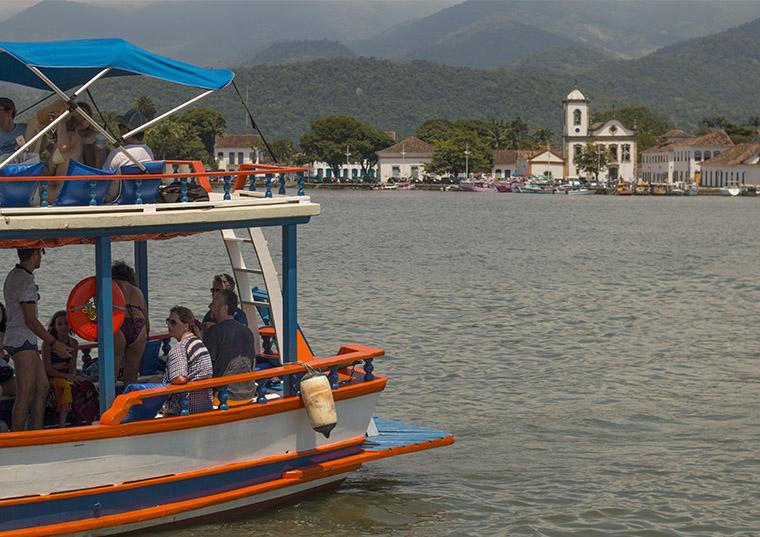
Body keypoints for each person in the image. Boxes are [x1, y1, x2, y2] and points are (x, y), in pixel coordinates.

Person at [3, 248, 72, 431]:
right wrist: (54, 343)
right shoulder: (24, 280)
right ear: (35, 254)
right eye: (41, 253)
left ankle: (37, 430)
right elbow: (30, 320)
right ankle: (18, 437)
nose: (41, 257)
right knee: (25, 392)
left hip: (25, 339)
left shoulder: (16, 275)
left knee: (41, 387)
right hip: (22, 340)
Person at [203, 289, 255, 402]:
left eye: (214, 304)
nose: (210, 306)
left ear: (224, 309)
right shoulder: (247, 331)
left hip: (224, 396)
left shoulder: (215, 332)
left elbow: (205, 368)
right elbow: (252, 362)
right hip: (249, 393)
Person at [163, 306, 212, 415]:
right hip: (204, 405)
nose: (169, 325)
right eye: (168, 321)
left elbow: (180, 378)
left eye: (173, 322)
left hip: (185, 408)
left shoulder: (180, 347)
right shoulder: (199, 343)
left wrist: (163, 382)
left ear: (186, 326)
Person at [41, 311, 83, 427]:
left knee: (85, 385)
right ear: (54, 326)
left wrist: (72, 376)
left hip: (66, 374)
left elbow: (72, 366)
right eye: (60, 324)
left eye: (66, 323)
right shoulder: (48, 344)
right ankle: (62, 424)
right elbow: (48, 369)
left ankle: (82, 418)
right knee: (65, 386)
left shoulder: (73, 343)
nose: (63, 327)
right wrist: (68, 376)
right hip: (52, 376)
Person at [112, 261, 149, 386]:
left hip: (119, 320)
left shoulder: (111, 285)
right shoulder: (137, 290)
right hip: (139, 323)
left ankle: (109, 403)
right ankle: (129, 403)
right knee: (132, 375)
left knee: (112, 371)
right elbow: (147, 320)